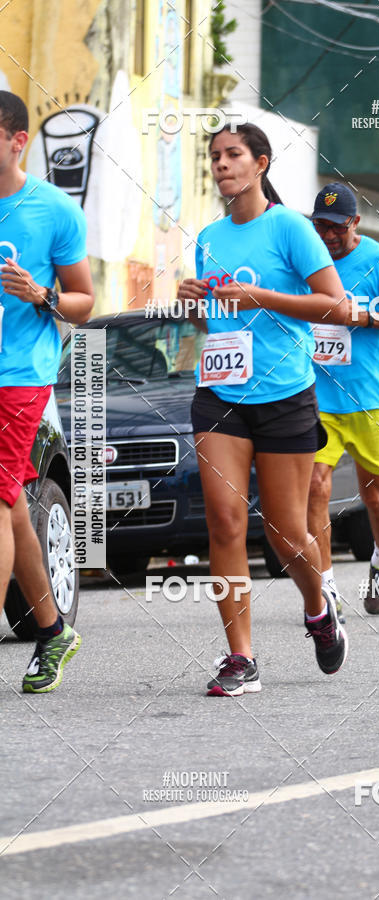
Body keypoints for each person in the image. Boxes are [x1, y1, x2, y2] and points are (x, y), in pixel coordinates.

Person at [177, 124, 349, 697]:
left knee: (284, 532)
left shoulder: (291, 228)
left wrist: (262, 298)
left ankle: (318, 606)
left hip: (285, 396)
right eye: (215, 157)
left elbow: (336, 307)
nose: (222, 165)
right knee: (225, 521)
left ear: (259, 163)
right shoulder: (208, 236)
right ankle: (240, 657)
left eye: (232, 155)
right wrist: (196, 306)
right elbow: (217, 323)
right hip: (220, 392)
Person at [0, 91, 94, 691]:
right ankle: (52, 628)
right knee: (13, 508)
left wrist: (43, 296)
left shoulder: (54, 211)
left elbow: (84, 302)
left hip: (20, 375)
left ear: (17, 140)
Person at [307, 182, 379, 617]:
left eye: (336, 226)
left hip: (370, 397)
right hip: (319, 397)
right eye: (321, 226)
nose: (328, 235)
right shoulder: (308, 260)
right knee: (316, 485)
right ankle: (326, 586)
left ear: (354, 222)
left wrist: (364, 315)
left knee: (374, 494)